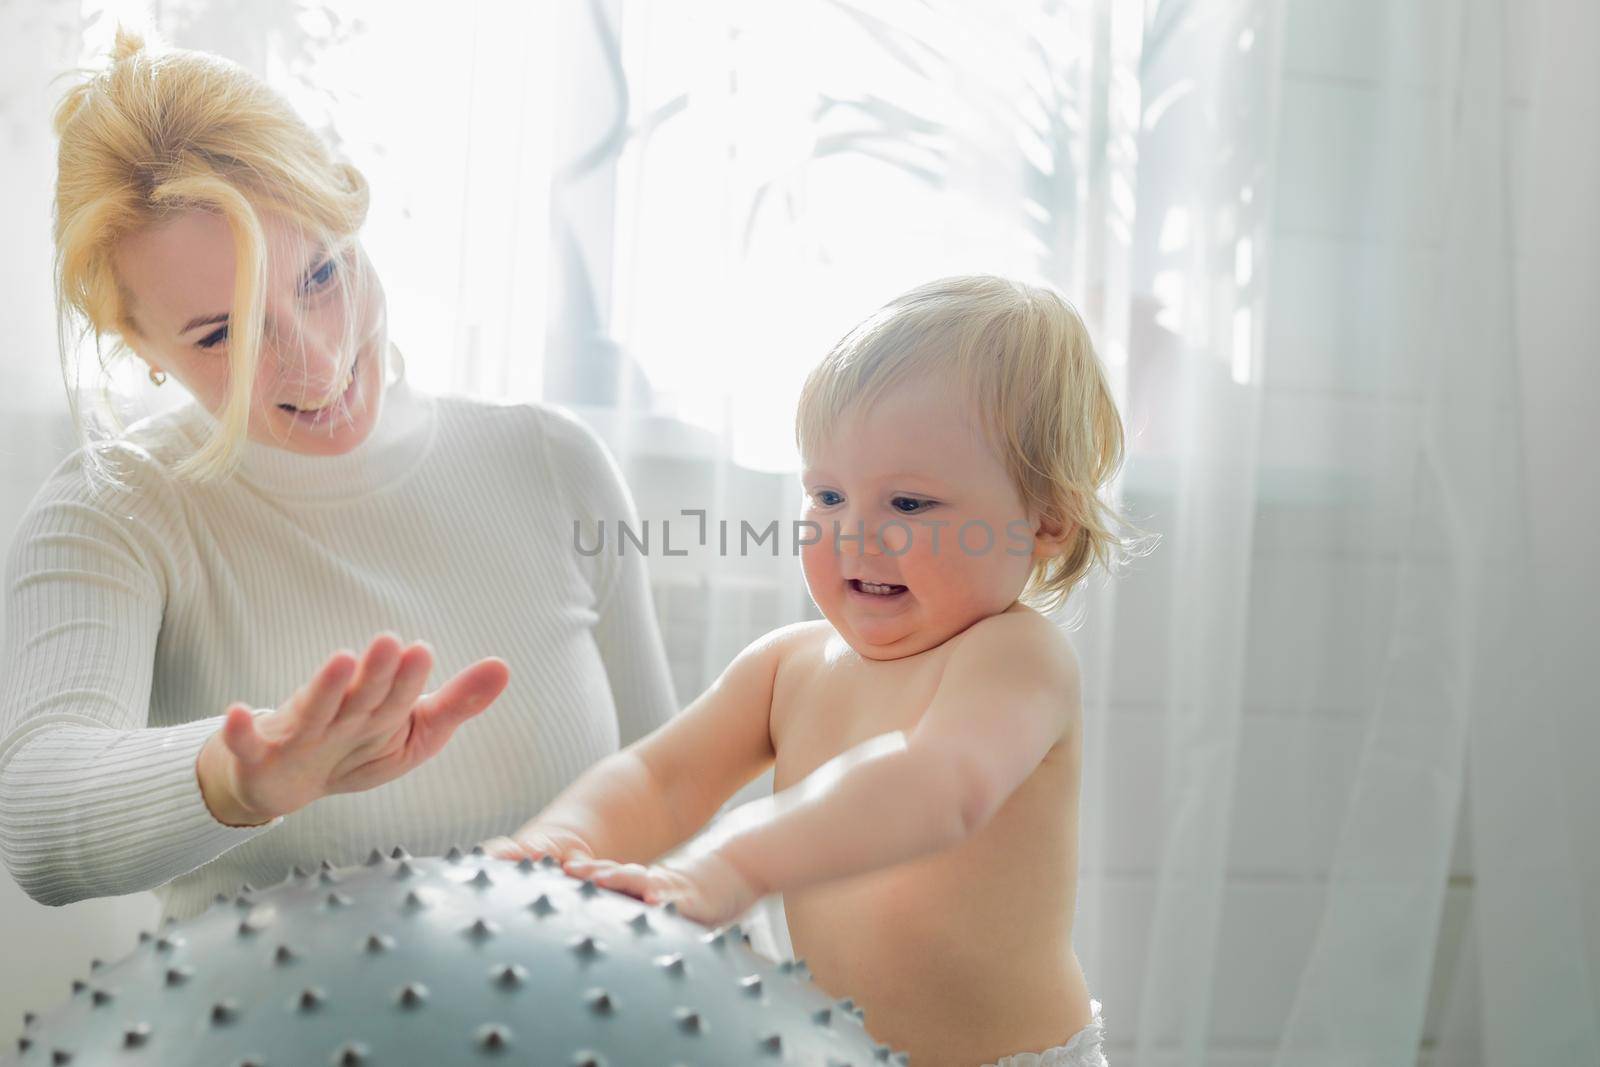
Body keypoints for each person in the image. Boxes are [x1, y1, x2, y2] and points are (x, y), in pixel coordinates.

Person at [0, 28, 678, 925]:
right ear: (140, 347)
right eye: (222, 334)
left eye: (319, 273)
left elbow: (672, 798)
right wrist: (236, 777)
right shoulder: (118, 507)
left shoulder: (555, 465)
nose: (315, 359)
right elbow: (37, 819)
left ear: (350, 208)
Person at [487, 275, 1152, 1067]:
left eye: (909, 504)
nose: (855, 533)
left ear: (1044, 519)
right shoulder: (786, 667)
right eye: (828, 493)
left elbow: (939, 786)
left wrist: (734, 862)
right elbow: (659, 778)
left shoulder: (1013, 656)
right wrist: (557, 844)